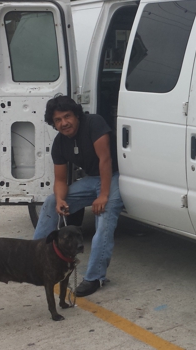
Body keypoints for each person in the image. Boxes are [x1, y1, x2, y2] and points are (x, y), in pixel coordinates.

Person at [33, 95, 123, 297]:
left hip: (114, 176)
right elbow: (60, 180)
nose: (64, 123)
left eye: (67, 116)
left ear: (76, 116)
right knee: (50, 201)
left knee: (104, 221)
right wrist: (61, 200)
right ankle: (34, 258)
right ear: (53, 124)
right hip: (92, 180)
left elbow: (106, 160)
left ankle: (94, 278)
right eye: (58, 120)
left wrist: (104, 195)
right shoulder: (59, 143)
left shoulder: (94, 123)